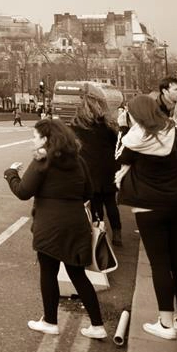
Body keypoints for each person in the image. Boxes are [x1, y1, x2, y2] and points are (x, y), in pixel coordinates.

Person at [4, 119, 108, 339]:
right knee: (78, 275)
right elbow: (89, 192)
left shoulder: (43, 160)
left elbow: (23, 191)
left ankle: (50, 321)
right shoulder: (79, 161)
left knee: (48, 272)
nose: (33, 140)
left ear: (45, 139)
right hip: (76, 223)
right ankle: (97, 326)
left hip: (50, 225)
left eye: (35, 136)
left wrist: (10, 174)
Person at [116, 94, 177, 340]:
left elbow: (118, 159)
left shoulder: (134, 139)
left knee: (160, 264)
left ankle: (165, 323)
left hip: (148, 208)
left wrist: (122, 127)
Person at [71, 83, 122, 242]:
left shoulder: (78, 124)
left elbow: (75, 146)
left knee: (95, 203)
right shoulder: (107, 123)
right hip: (107, 167)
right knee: (110, 201)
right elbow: (115, 144)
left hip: (89, 167)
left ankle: (99, 233)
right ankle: (117, 232)